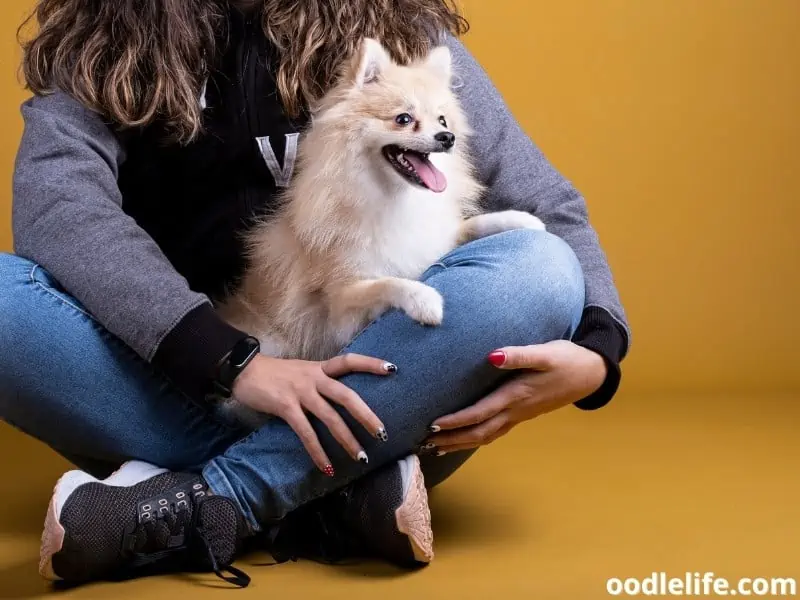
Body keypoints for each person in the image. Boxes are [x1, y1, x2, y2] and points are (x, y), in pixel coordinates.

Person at [0, 0, 630, 588]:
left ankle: (204, 501)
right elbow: (60, 210)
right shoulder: (101, 43)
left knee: (541, 265)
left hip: (381, 392)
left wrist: (599, 350)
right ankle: (340, 500)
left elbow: (544, 200)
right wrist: (233, 363)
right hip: (174, 385)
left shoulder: (397, 30)